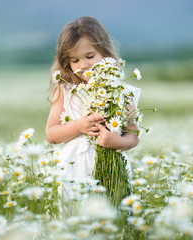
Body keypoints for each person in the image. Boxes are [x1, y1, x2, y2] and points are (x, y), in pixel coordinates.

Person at [45, 16, 140, 182]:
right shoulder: (65, 89)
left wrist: (118, 142)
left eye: (90, 56)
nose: (83, 65)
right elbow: (51, 134)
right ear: (67, 63)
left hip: (113, 173)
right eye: (75, 60)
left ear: (105, 52)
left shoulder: (121, 91)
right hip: (74, 171)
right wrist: (78, 126)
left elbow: (133, 135)